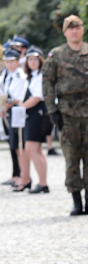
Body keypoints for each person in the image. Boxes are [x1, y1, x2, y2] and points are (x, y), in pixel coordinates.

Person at [42, 14, 88, 216]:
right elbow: (47, 83)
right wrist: (52, 110)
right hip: (67, 112)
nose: (74, 31)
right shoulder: (56, 55)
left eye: (77, 27)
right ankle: (76, 200)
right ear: (65, 32)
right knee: (72, 158)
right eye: (70, 28)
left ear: (82, 29)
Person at [19, 46, 50, 193]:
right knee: (36, 149)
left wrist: (19, 108)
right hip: (31, 114)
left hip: (38, 113)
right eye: (30, 59)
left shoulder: (41, 76)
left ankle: (43, 183)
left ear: (40, 60)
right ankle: (43, 183)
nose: (32, 62)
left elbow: (37, 97)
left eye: (35, 59)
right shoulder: (31, 76)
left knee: (31, 149)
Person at [0, 48, 28, 188]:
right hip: (8, 112)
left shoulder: (20, 76)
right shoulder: (7, 75)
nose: (9, 64)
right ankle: (19, 174)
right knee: (14, 145)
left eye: (12, 61)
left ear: (18, 62)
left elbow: (18, 97)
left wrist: (6, 105)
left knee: (19, 145)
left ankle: (24, 175)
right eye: (7, 62)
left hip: (17, 112)